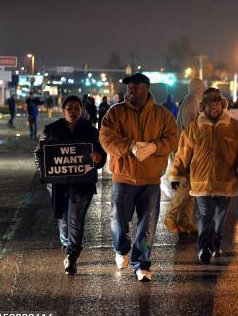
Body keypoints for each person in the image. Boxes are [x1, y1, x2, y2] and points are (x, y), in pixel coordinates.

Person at [100, 73, 178, 282]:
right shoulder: (115, 112)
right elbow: (106, 137)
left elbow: (173, 139)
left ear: (146, 88)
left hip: (151, 180)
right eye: (129, 87)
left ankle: (141, 264)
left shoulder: (162, 114)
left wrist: (154, 147)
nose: (130, 90)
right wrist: (130, 146)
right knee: (118, 220)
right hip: (123, 178)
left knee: (148, 226)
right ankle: (121, 248)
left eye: (135, 87)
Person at [169, 88, 238, 264]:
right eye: (210, 105)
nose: (213, 108)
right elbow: (183, 154)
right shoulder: (194, 128)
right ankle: (204, 248)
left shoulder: (236, 128)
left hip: (226, 182)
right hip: (200, 183)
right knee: (205, 214)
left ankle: (216, 242)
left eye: (216, 104)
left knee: (220, 216)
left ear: (222, 105)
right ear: (204, 107)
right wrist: (176, 174)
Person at [34, 96, 106, 275]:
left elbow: (101, 154)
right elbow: (38, 153)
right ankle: (67, 249)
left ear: (81, 110)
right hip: (59, 186)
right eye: (69, 108)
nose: (73, 111)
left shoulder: (90, 132)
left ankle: (72, 256)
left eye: (76, 108)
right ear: (63, 110)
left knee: (75, 221)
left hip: (82, 186)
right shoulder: (51, 130)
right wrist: (46, 173)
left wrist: (98, 159)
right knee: (63, 220)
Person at [163, 78, 205, 236]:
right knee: (185, 185)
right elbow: (190, 127)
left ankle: (184, 221)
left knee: (191, 187)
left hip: (188, 149)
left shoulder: (191, 99)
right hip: (186, 150)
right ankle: (171, 217)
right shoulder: (193, 100)